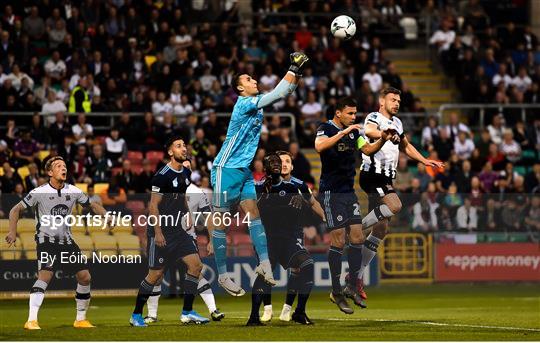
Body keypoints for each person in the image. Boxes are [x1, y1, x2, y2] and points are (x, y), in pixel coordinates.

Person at [208, 52, 309, 296]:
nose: (254, 80)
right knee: (221, 222)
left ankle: (264, 265)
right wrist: (292, 67)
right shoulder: (243, 103)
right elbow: (277, 93)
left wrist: (296, 74)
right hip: (225, 169)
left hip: (242, 172)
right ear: (240, 88)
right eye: (248, 79)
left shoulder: (257, 100)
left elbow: (283, 93)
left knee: (254, 214)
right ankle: (222, 276)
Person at [352, 87, 444, 304]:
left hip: (386, 179)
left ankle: (355, 276)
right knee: (395, 204)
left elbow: (406, 146)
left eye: (399, 101)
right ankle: (355, 229)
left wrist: (424, 160)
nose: (396, 103)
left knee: (382, 229)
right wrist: (384, 134)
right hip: (372, 175)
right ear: (382, 101)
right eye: (393, 99)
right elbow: (370, 131)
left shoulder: (398, 123)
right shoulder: (374, 117)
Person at [5, 156, 111, 330]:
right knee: (45, 276)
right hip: (46, 240)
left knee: (85, 277)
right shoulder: (39, 192)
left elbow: (93, 205)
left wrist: (106, 215)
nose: (63, 168)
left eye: (64, 165)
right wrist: (12, 231)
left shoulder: (73, 191)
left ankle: (80, 319)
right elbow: (15, 209)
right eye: (58, 166)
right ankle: (31, 320)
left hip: (66, 241)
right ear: (49, 172)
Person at [314, 96, 393, 314]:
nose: (353, 117)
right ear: (338, 113)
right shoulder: (325, 128)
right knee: (338, 240)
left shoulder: (356, 132)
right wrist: (341, 133)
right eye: (349, 113)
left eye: (354, 113)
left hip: (349, 193)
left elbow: (367, 150)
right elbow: (319, 147)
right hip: (331, 193)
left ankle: (352, 286)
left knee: (357, 237)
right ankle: (335, 291)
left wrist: (383, 140)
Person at [129, 136, 208, 326]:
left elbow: (181, 197)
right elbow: (154, 206)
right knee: (155, 275)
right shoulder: (162, 176)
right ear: (170, 152)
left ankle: (187, 312)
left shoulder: (186, 173)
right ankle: (136, 315)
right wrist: (157, 232)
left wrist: (188, 214)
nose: (184, 149)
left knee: (196, 266)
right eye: (179, 146)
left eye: (184, 146)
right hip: (161, 230)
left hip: (179, 230)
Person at [143, 173, 225, 323]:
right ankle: (151, 315)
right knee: (157, 275)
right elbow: (153, 209)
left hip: (186, 238)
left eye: (186, 167)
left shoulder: (197, 192)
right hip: (165, 237)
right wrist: (156, 233)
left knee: (196, 270)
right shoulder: (165, 188)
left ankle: (212, 310)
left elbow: (209, 217)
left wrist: (211, 240)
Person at [247, 153, 315, 326]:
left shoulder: (293, 188)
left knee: (307, 265)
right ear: (265, 167)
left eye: (280, 162)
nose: (277, 165)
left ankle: (299, 312)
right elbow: (250, 210)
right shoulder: (258, 187)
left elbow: (301, 211)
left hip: (288, 240)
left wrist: (302, 202)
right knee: (264, 274)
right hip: (267, 240)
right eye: (273, 162)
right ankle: (254, 316)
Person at [259, 150, 325, 323]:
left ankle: (292, 310)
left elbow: (313, 203)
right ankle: (267, 309)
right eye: (281, 161)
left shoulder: (299, 185)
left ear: (292, 165)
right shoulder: (264, 185)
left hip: (293, 235)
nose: (285, 164)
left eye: (288, 161)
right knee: (267, 271)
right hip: (269, 235)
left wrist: (326, 218)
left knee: (301, 268)